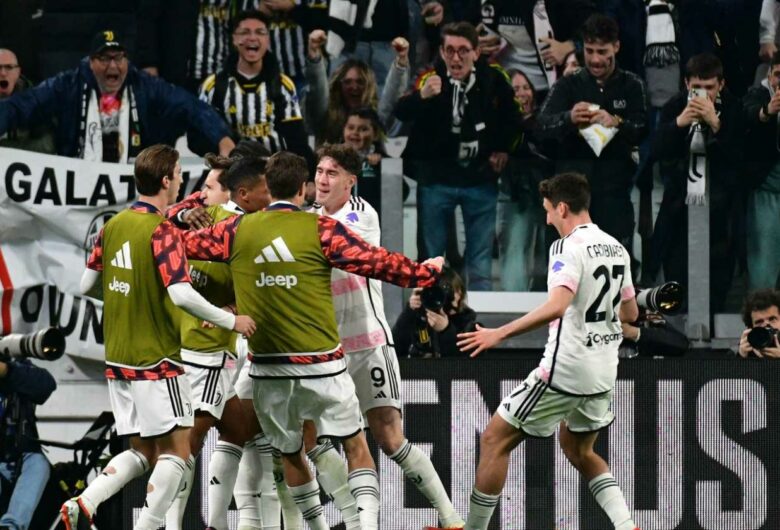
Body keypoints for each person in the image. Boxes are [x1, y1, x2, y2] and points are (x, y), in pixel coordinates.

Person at [179, 151, 444, 530]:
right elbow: (377, 262)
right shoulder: (321, 229)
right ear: (303, 189)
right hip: (322, 366)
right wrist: (424, 273)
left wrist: (183, 214)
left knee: (290, 453)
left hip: (268, 368)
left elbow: (178, 244)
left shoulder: (236, 230)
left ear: (268, 187)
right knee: (354, 446)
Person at [61, 144, 256, 530]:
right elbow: (181, 294)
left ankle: (86, 500)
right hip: (157, 357)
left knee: (144, 451)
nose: (183, 181)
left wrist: (129, 294)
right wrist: (230, 321)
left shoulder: (113, 225)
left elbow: (85, 285)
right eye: (179, 174)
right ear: (166, 180)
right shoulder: (162, 230)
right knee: (179, 451)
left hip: (118, 360)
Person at [457, 172, 640, 530]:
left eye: (548, 210)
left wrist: (499, 333)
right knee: (578, 449)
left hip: (565, 370)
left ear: (563, 208)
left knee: (494, 439)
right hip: (604, 371)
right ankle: (626, 526)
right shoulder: (616, 247)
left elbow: (557, 306)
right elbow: (630, 313)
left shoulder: (566, 247)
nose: (546, 219)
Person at [309, 144, 464, 529]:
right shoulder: (308, 217)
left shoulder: (361, 214)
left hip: (368, 345)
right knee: (315, 441)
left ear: (350, 181)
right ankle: (357, 521)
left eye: (332, 173)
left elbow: (340, 250)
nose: (322, 180)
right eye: (319, 171)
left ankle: (450, 519)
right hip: (326, 350)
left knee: (390, 437)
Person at [163, 155, 272, 530]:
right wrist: (181, 214)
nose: (199, 195)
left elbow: (259, 285)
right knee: (193, 442)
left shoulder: (237, 229)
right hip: (204, 349)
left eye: (207, 187)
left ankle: (220, 523)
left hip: (215, 348)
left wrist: (231, 308)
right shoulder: (203, 220)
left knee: (235, 431)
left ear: (231, 193)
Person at [396, 21, 520, 290]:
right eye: (450, 50)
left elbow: (514, 118)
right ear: (441, 52)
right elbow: (400, 112)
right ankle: (430, 308)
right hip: (436, 180)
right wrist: (422, 96)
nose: (456, 58)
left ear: (476, 52)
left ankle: (478, 314)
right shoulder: (429, 78)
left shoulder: (494, 78)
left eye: (463, 50)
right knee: (431, 259)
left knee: (480, 264)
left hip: (480, 179)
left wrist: (503, 149)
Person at [0, 30, 235, 162]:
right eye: (104, 58)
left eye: (119, 58)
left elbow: (191, 106)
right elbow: (22, 105)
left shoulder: (144, 85)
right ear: (91, 62)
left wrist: (223, 139)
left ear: (127, 61)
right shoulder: (68, 84)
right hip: (78, 179)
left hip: (132, 182)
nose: (113, 65)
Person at [537, 14, 647, 252]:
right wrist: (569, 118)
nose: (595, 59)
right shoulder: (568, 84)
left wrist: (616, 122)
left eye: (602, 51)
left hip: (614, 195)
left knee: (615, 266)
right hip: (570, 198)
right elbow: (541, 126)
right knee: (566, 267)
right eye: (589, 51)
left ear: (616, 47)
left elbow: (642, 130)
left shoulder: (632, 85)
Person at [648, 53, 742, 312]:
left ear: (721, 84)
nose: (703, 94)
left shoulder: (734, 108)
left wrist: (716, 124)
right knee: (676, 290)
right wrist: (679, 124)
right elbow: (655, 151)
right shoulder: (675, 106)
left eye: (709, 87)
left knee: (716, 293)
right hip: (680, 210)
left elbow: (740, 159)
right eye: (697, 87)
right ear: (687, 83)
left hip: (721, 215)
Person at [191, 10, 315, 169]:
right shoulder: (213, 86)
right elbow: (196, 137)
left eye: (260, 32)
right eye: (244, 32)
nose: (252, 37)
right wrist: (222, 153)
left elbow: (297, 140)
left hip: (274, 173)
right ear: (234, 39)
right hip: (231, 172)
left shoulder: (283, 85)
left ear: (268, 40)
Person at [305, 28, 410, 145]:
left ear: (369, 86)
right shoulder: (325, 115)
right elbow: (317, 91)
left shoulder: (375, 117)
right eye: (347, 82)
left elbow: (391, 99)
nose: (354, 87)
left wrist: (401, 63)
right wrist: (314, 57)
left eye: (360, 82)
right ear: (338, 85)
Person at [471, 0, 597, 96]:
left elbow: (596, 27)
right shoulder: (486, 4)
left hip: (550, 87)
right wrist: (472, 41)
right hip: (503, 89)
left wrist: (569, 46)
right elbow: (466, 29)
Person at [499, 69, 552, 291]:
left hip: (546, 193)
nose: (522, 94)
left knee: (547, 251)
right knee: (515, 247)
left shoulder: (545, 121)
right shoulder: (501, 125)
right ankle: (513, 301)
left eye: (526, 88)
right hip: (515, 195)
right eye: (515, 90)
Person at [0, 355, 56, 530]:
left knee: (38, 464)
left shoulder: (15, 364)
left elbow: (46, 385)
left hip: (19, 454)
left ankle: (10, 527)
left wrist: (7, 370)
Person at [742, 51, 780, 291]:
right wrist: (767, 112)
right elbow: (748, 115)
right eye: (778, 75)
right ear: (770, 74)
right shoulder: (758, 95)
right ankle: (762, 313)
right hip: (767, 190)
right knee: (763, 270)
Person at [393, 266, 478, 358]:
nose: (439, 297)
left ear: (459, 293)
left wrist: (446, 330)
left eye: (445, 291)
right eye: (433, 292)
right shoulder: (420, 320)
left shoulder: (469, 327)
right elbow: (394, 351)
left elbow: (466, 363)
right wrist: (409, 312)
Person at [0, 47, 55, 153]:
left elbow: (48, 145)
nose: (3, 73)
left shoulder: (35, 102)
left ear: (18, 72)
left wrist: (5, 148)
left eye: (9, 67)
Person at [341, 107, 388, 211]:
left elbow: (402, 191)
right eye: (351, 128)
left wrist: (380, 166)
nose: (355, 132)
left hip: (370, 219)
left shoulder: (384, 162)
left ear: (375, 134)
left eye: (363, 129)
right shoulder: (332, 159)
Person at [738, 289, 780, 358]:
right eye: (759, 322)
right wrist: (741, 357)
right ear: (750, 327)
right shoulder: (746, 350)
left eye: (772, 319)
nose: (766, 325)